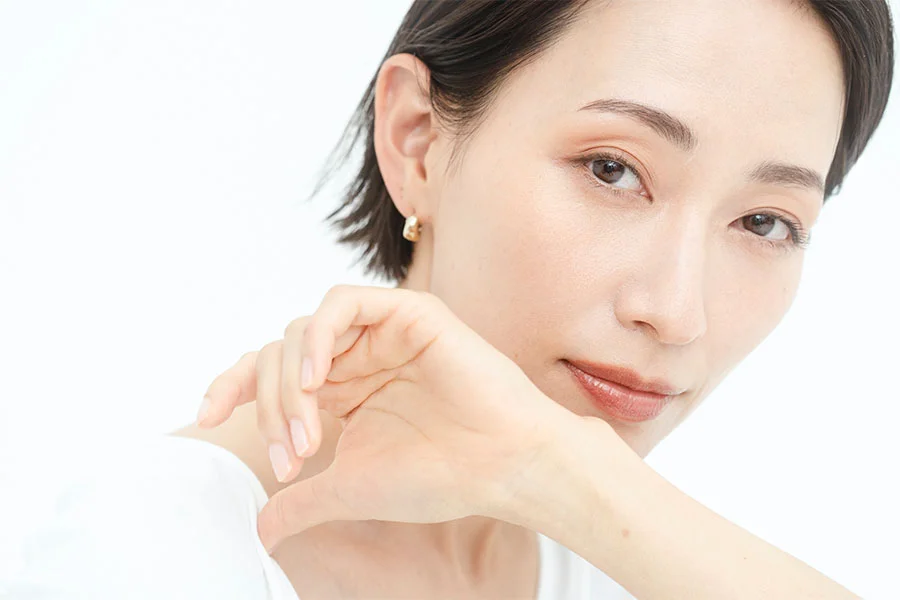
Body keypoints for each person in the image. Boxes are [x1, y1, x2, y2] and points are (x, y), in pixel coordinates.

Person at [5, 0, 894, 599]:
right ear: (418, 140)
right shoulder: (140, 559)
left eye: (767, 222)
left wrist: (561, 480)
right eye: (612, 169)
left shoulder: (627, 556)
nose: (677, 310)